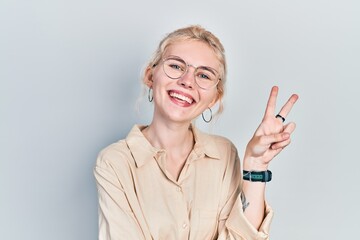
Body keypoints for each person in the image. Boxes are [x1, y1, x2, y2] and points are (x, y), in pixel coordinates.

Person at [94, 25, 298, 240]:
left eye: (204, 75)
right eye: (175, 66)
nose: (187, 81)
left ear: (214, 98)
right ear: (150, 76)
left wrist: (256, 166)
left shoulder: (225, 153)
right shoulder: (114, 162)